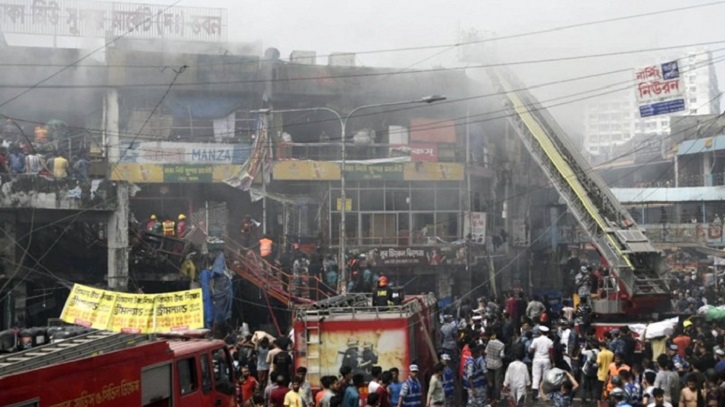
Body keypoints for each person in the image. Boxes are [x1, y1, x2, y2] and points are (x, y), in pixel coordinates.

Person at [530, 326, 553, 402]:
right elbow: (551, 352)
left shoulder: (535, 340)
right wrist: (553, 361)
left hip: (537, 359)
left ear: (540, 332)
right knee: (545, 377)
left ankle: (535, 395)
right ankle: (544, 394)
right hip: (546, 359)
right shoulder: (550, 341)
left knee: (536, 376)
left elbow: (531, 350)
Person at [484, 330, 505, 402]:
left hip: (489, 363)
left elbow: (486, 351)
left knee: (489, 381)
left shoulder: (490, 342)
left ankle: (489, 396)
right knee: (497, 382)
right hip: (497, 364)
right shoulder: (502, 344)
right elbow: (502, 355)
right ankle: (497, 398)